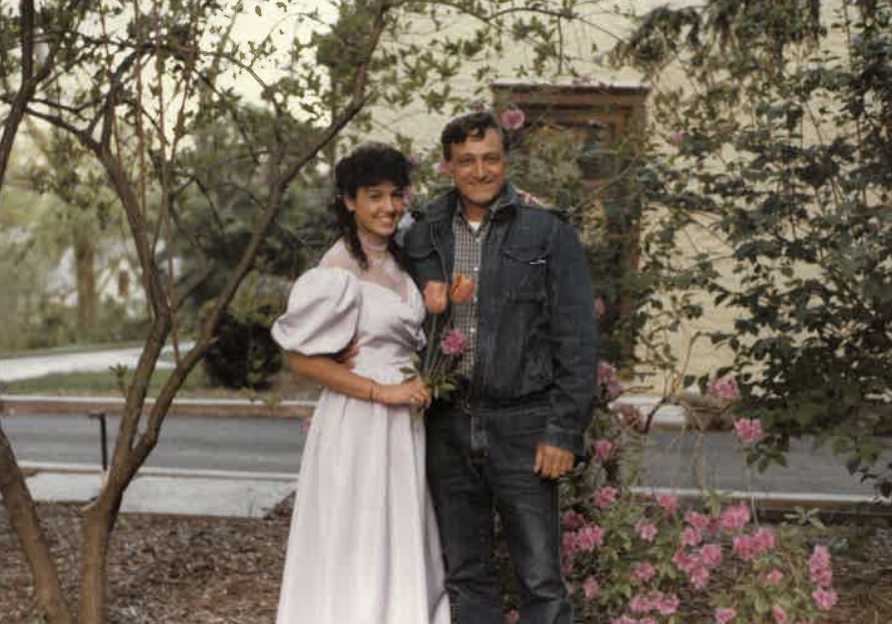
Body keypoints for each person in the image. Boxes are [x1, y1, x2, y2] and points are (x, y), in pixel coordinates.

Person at [403, 112, 598, 624]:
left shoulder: (547, 232)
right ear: (448, 167)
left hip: (524, 423)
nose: (481, 171)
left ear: (505, 160)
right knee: (466, 576)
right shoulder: (422, 235)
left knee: (540, 578)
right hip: (447, 422)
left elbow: (577, 339)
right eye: (466, 161)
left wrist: (564, 429)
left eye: (491, 158)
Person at [269, 143, 450, 624]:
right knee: (359, 535)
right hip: (359, 421)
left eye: (395, 195)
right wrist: (380, 389)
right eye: (374, 196)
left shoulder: (400, 259)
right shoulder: (336, 272)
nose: (388, 207)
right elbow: (301, 360)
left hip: (403, 422)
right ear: (349, 201)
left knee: (397, 533)